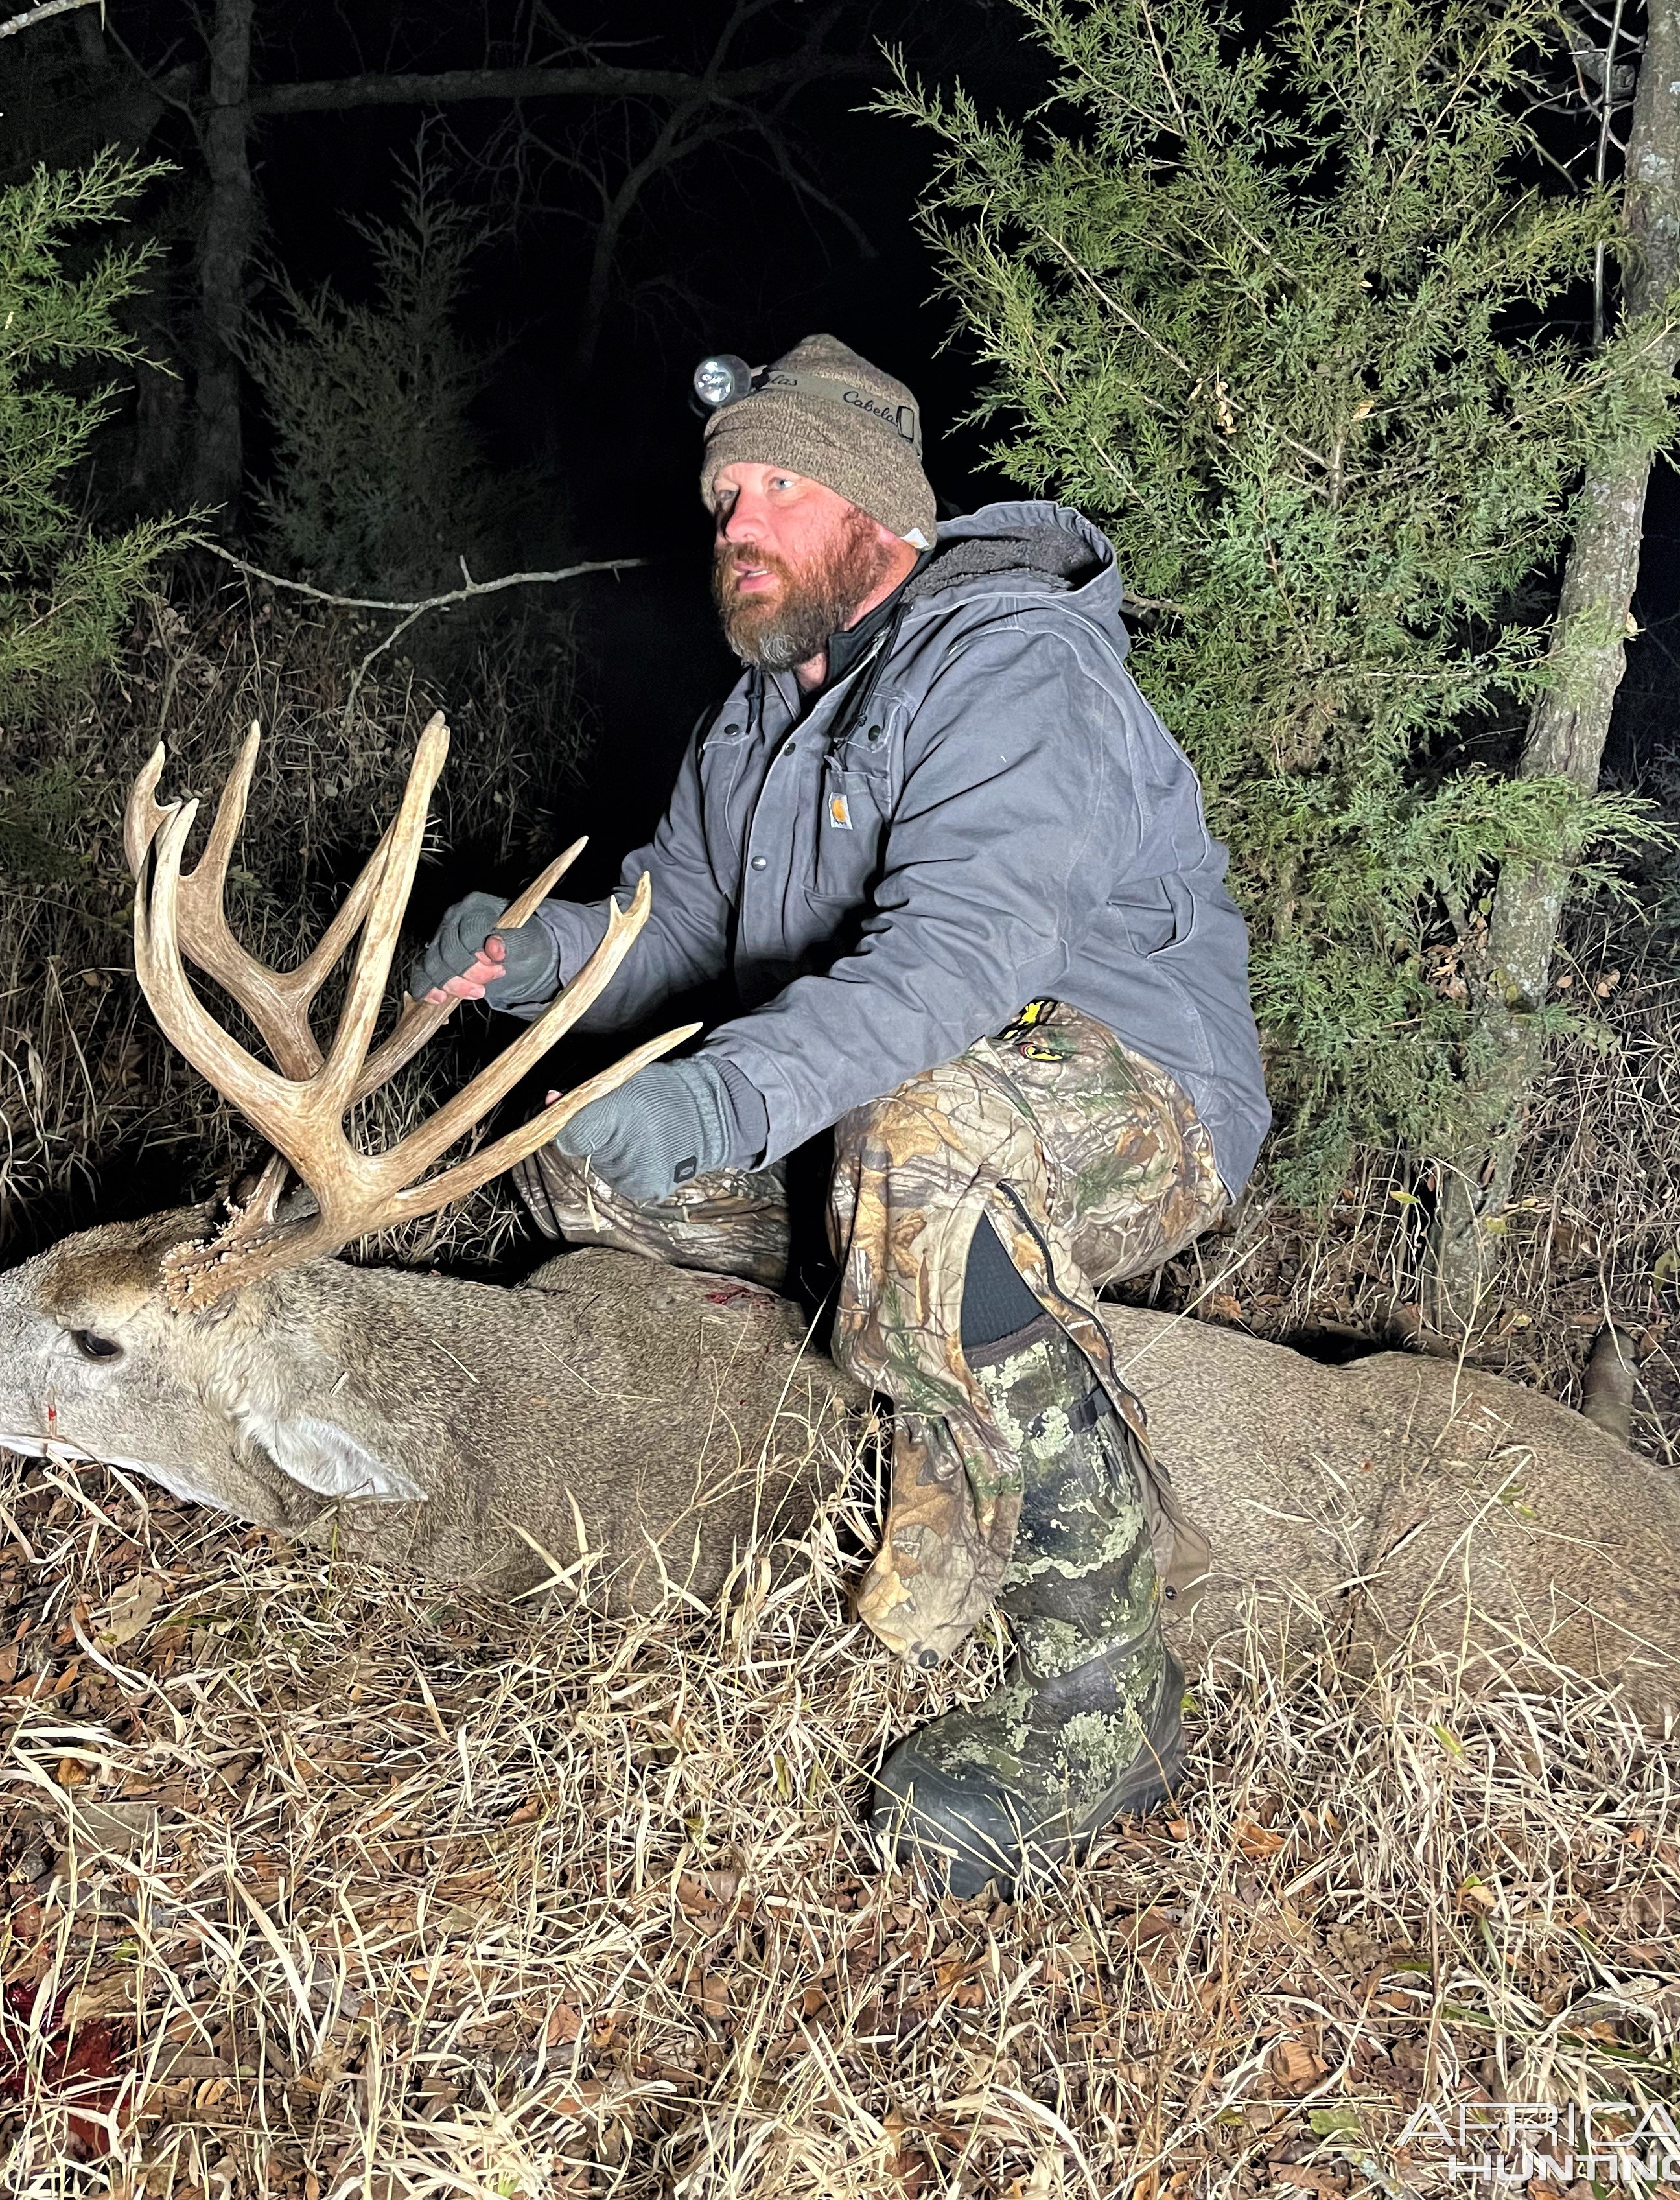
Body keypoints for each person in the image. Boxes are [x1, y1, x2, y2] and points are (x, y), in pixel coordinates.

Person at [412, 334, 1270, 1895]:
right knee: (590, 1178)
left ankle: (1108, 1695)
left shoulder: (1009, 663)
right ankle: (845, 1439)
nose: (734, 519)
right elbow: (673, 931)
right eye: (723, 491)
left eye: (777, 484)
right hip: (899, 1085)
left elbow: (951, 963)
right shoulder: (754, 720)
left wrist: (734, 1092)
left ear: (878, 512)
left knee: (913, 1143)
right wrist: (527, 958)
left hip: (1131, 1082)